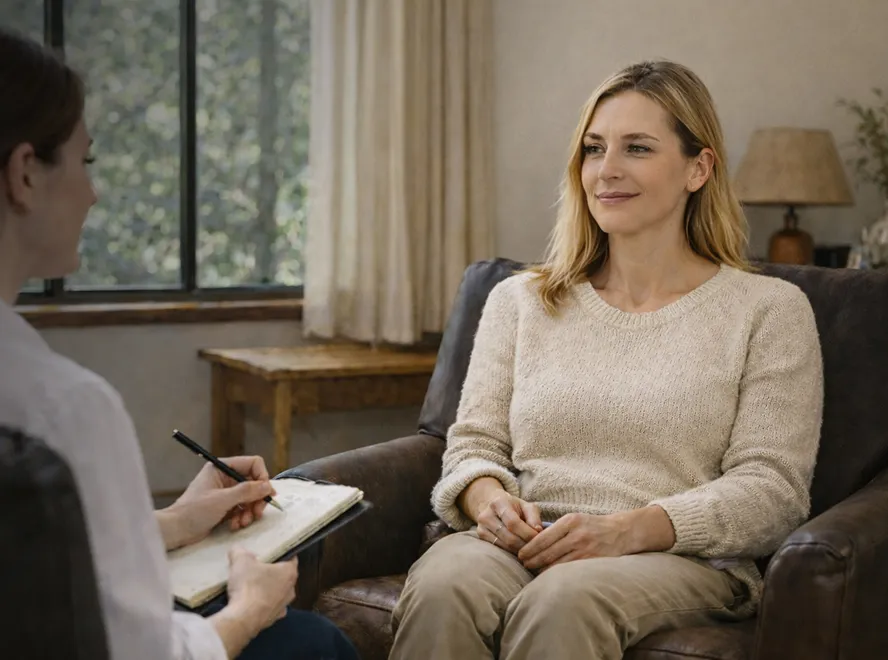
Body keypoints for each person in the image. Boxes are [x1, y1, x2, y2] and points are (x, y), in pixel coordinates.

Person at [390, 60, 824, 659]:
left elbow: (772, 490)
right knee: (443, 584)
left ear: (699, 169)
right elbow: (473, 447)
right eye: (594, 149)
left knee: (565, 598)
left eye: (637, 148)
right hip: (525, 539)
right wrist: (490, 504)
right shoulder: (520, 300)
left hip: (675, 556)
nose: (607, 170)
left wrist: (627, 529)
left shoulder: (769, 310)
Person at [0, 28, 359, 660]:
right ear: (25, 172)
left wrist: (171, 523)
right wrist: (251, 607)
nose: (94, 192)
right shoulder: (62, 411)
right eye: (85, 162)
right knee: (314, 643)